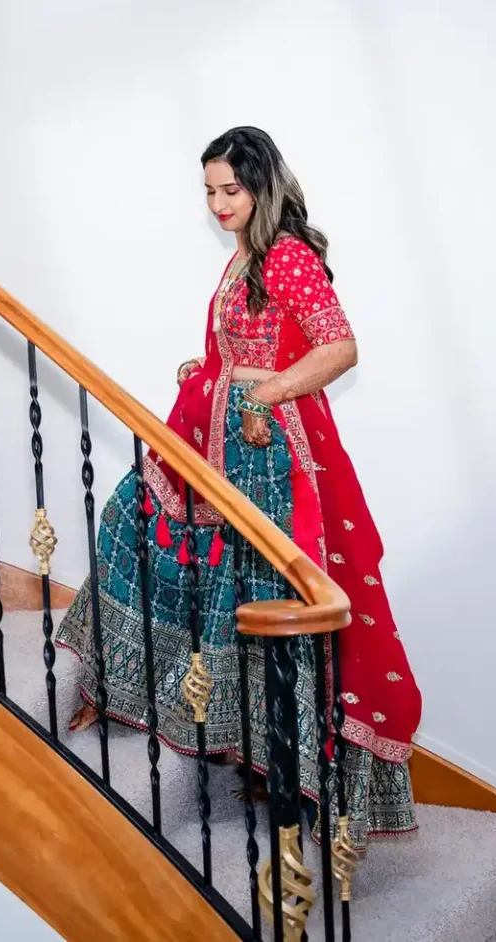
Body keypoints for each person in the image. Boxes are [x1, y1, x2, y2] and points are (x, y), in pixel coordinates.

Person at [54, 126, 421, 852]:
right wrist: (216, 366)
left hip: (273, 461)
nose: (220, 204)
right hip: (219, 443)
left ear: (263, 185)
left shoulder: (285, 255)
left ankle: (296, 778)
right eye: (210, 192)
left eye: (231, 189)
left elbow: (339, 347)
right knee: (146, 533)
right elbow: (258, 344)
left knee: (271, 604)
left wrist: (262, 392)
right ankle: (205, 728)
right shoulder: (246, 259)